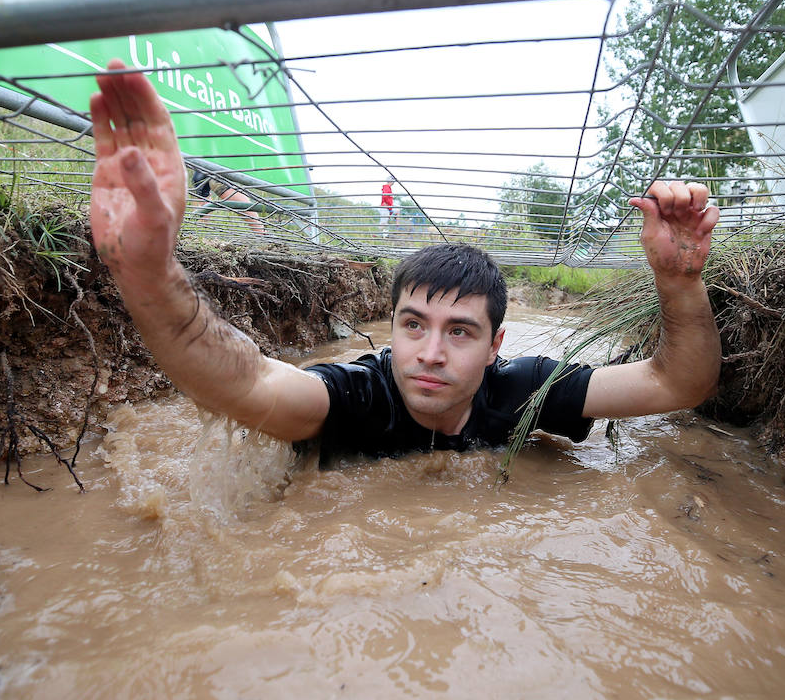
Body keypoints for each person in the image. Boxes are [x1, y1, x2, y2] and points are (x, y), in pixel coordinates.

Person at [89, 59, 720, 462]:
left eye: (460, 332)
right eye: (413, 324)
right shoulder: (358, 396)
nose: (431, 353)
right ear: (391, 328)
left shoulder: (526, 392)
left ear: (498, 344)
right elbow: (246, 382)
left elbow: (676, 384)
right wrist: (148, 273)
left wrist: (678, 280)